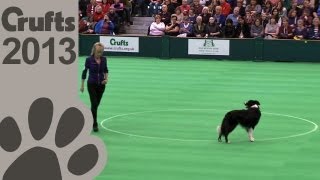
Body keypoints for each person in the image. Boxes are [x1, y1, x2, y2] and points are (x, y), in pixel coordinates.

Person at [81, 42, 109, 132]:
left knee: (96, 105)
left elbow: (106, 70)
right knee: (94, 104)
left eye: (101, 52)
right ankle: (94, 124)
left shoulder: (104, 59)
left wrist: (106, 79)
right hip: (91, 84)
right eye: (98, 52)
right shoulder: (89, 60)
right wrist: (82, 85)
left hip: (101, 85)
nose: (99, 54)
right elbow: (84, 72)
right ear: (94, 51)